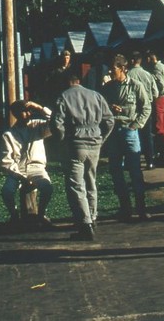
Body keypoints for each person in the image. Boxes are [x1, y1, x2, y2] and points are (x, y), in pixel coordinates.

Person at [50, 72, 114, 241]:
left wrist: (63, 140)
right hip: (94, 143)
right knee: (91, 180)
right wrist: (101, 139)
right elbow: (109, 120)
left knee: (76, 185)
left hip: (75, 144)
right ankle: (93, 217)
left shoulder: (63, 97)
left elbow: (57, 124)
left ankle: (85, 224)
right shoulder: (96, 95)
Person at [100, 54, 152, 222]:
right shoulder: (108, 87)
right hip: (113, 133)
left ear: (122, 68)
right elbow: (99, 106)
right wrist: (109, 108)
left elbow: (146, 107)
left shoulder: (136, 86)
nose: (110, 71)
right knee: (116, 171)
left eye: (113, 68)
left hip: (130, 131)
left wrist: (136, 125)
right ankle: (125, 208)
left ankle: (141, 208)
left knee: (135, 171)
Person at [0, 100, 55, 229]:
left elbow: (56, 122)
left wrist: (40, 107)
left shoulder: (38, 126)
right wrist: (20, 177)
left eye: (30, 110)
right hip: (17, 171)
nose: (28, 113)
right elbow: (6, 161)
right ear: (16, 114)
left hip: (37, 168)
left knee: (47, 187)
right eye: (24, 111)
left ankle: (41, 214)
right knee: (7, 191)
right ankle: (14, 216)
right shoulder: (8, 134)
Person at [127, 51, 158, 169]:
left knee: (135, 133)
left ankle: (134, 160)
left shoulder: (129, 75)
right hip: (147, 107)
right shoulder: (148, 74)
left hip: (133, 106)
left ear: (131, 61)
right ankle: (150, 160)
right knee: (147, 134)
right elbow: (156, 92)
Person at [147, 50, 164, 168]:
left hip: (160, 98)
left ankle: (163, 154)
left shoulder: (157, 68)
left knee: (159, 127)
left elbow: (160, 83)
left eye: (149, 57)